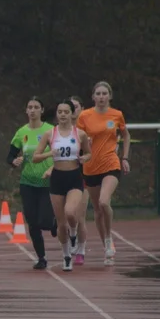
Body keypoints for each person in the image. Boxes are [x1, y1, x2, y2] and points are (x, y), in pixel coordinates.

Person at [76, 81, 130, 265]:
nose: (101, 97)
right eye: (97, 94)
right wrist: (85, 144)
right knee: (97, 211)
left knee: (104, 201)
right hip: (90, 167)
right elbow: (78, 138)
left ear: (109, 96)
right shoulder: (84, 116)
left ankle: (109, 239)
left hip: (110, 163)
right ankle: (105, 243)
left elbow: (126, 135)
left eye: (104, 93)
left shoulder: (116, 115)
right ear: (93, 97)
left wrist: (125, 157)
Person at [34, 101, 92, 271]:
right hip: (57, 178)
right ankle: (66, 256)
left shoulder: (79, 134)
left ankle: (73, 232)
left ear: (71, 114)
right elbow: (35, 157)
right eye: (60, 112)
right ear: (56, 114)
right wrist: (49, 153)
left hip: (74, 177)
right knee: (60, 223)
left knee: (70, 212)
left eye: (66, 111)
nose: (63, 115)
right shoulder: (49, 134)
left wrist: (84, 159)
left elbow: (89, 153)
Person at [6, 97, 55, 269]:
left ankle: (54, 223)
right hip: (27, 182)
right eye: (30, 107)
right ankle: (41, 257)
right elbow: (10, 156)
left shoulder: (51, 130)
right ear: (26, 111)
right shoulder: (21, 132)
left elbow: (61, 151)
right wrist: (14, 161)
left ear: (42, 110)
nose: (32, 110)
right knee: (33, 222)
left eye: (36, 107)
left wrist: (54, 167)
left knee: (45, 221)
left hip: (47, 181)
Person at [67, 95, 90, 265]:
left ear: (82, 108)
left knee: (79, 214)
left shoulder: (88, 129)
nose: (73, 109)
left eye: (76, 106)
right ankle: (72, 234)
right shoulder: (60, 130)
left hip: (84, 175)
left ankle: (81, 248)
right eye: (70, 106)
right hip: (64, 175)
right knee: (67, 214)